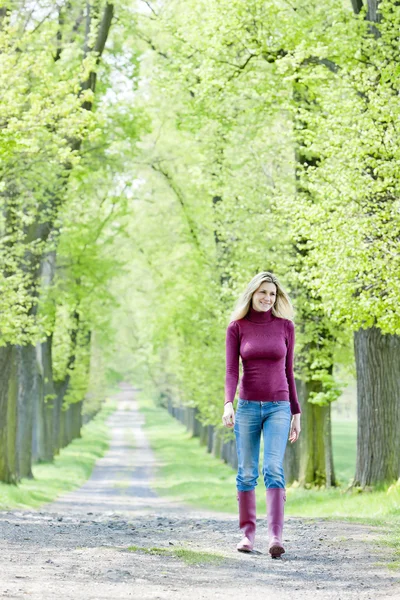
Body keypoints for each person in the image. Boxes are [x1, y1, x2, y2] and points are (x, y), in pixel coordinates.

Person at [222, 271, 301, 558]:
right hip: (247, 407)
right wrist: (228, 403)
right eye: (263, 292)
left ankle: (275, 537)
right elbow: (232, 370)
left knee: (273, 468)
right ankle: (247, 534)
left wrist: (296, 412)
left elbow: (289, 372)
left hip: (279, 406)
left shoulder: (286, 327)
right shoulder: (237, 327)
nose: (268, 298)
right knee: (246, 472)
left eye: (272, 294)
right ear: (252, 294)